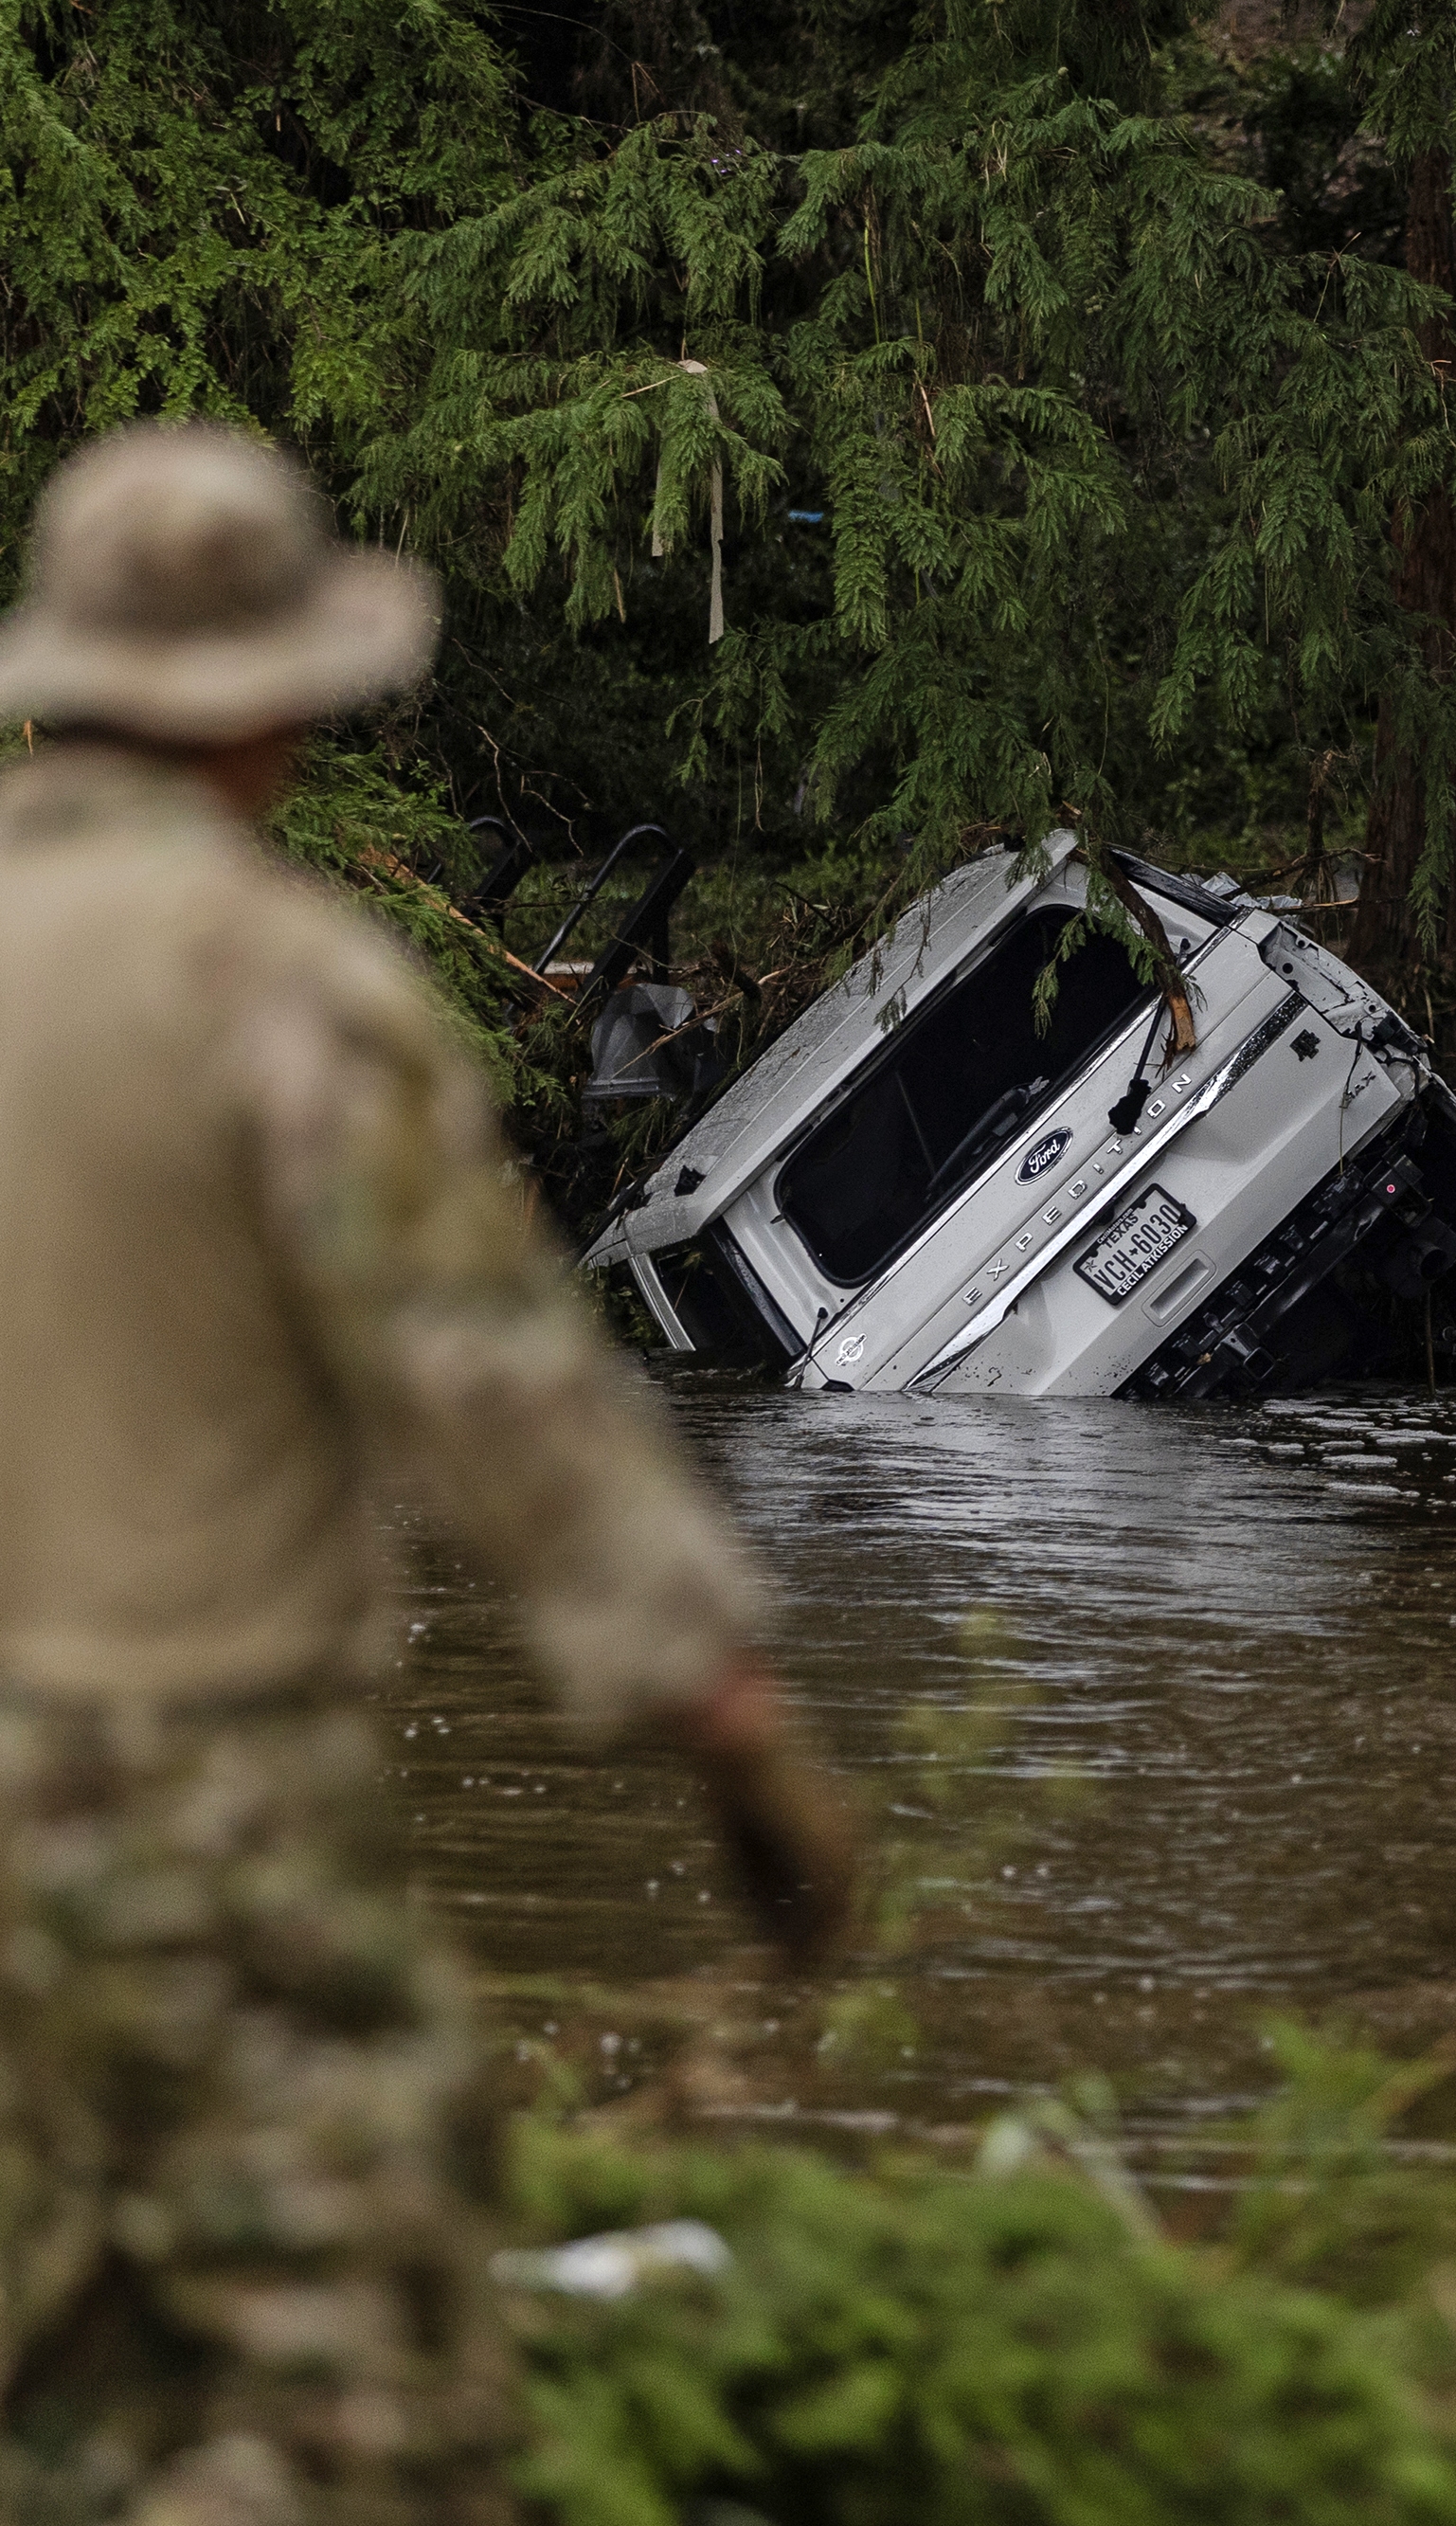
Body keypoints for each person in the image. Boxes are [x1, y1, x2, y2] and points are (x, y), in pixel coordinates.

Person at [0, 422, 856, 2524]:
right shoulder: (276, 988)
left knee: (62, 2409)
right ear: (274, 703)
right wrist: (732, 1728)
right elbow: (493, 1397)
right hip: (181, 1804)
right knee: (365, 2408)